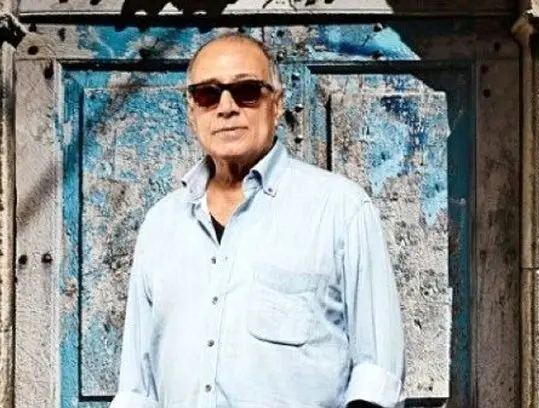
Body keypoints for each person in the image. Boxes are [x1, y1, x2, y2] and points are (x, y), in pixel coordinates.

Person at [109, 32, 405, 408]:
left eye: (246, 91)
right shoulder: (161, 223)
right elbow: (137, 389)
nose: (226, 107)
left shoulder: (340, 208)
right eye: (208, 94)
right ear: (191, 111)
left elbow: (378, 373)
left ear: (276, 105)